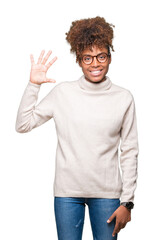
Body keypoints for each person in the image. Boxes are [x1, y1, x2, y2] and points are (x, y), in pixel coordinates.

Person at [15, 16, 139, 240]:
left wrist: (127, 202)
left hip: (107, 195)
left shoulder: (123, 98)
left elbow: (129, 151)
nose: (95, 64)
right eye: (87, 58)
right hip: (67, 195)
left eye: (101, 56)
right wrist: (34, 84)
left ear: (110, 57)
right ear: (79, 61)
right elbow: (23, 125)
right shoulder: (63, 93)